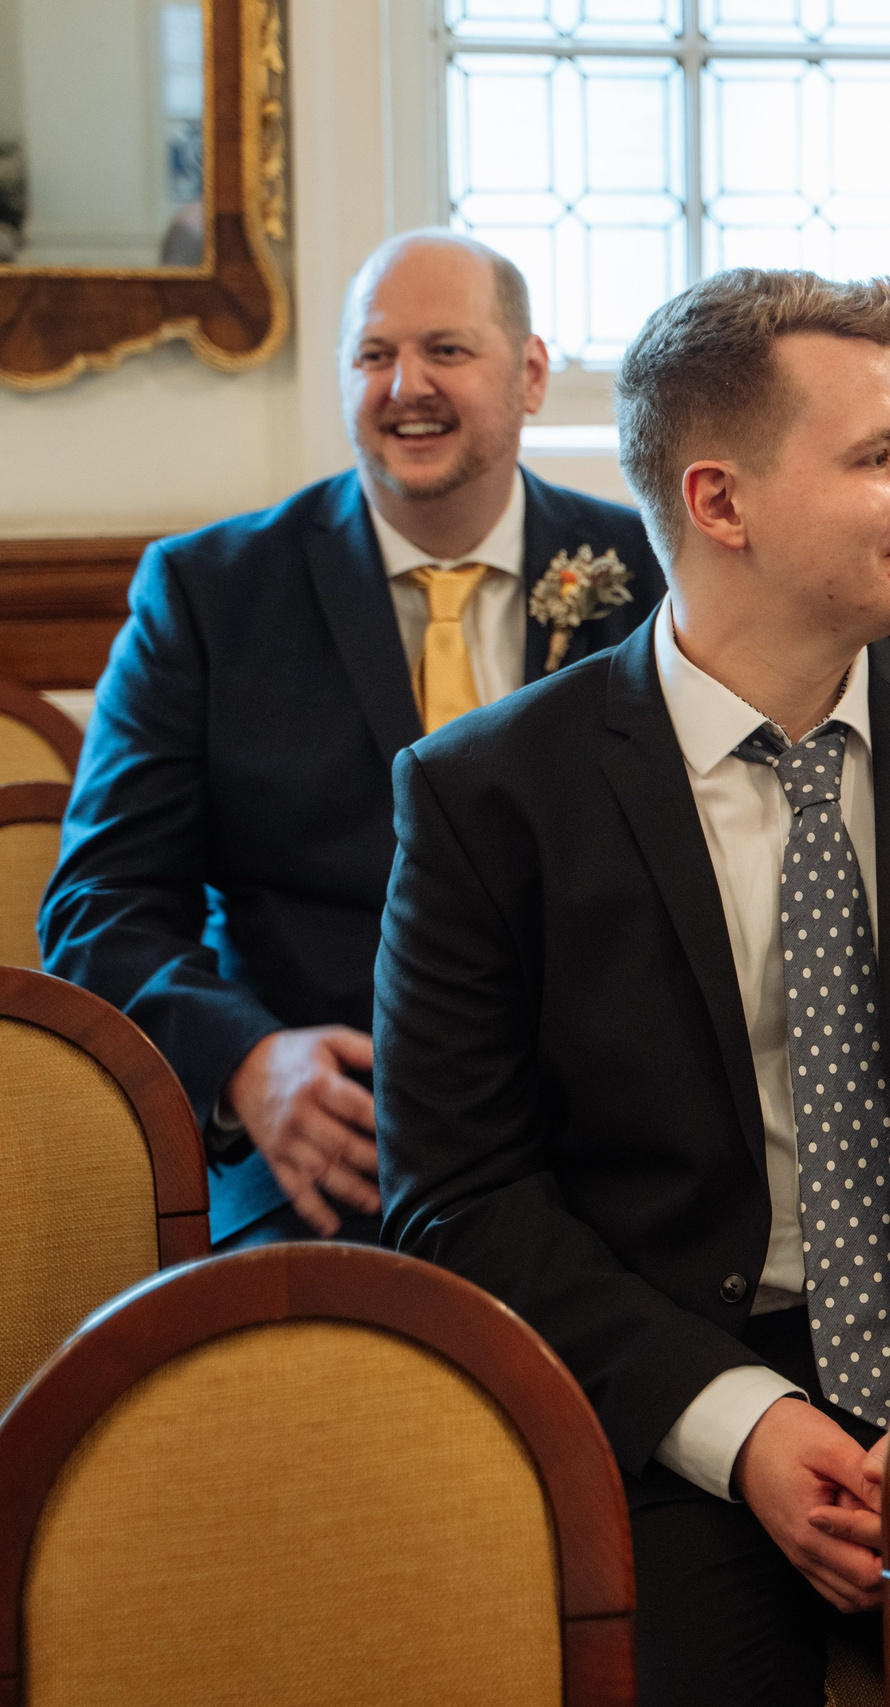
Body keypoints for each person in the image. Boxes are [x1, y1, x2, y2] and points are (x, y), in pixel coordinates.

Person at [373, 268, 890, 1707]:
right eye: (881, 455)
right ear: (721, 503)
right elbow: (457, 1186)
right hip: (672, 1387)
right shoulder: (493, 794)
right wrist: (737, 1424)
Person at [40, 230, 662, 1249]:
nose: (404, 386)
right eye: (373, 356)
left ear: (533, 374)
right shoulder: (209, 595)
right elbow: (101, 904)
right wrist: (246, 1064)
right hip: (332, 1161)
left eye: (446, 351)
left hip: (620, 1153)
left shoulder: (651, 574)